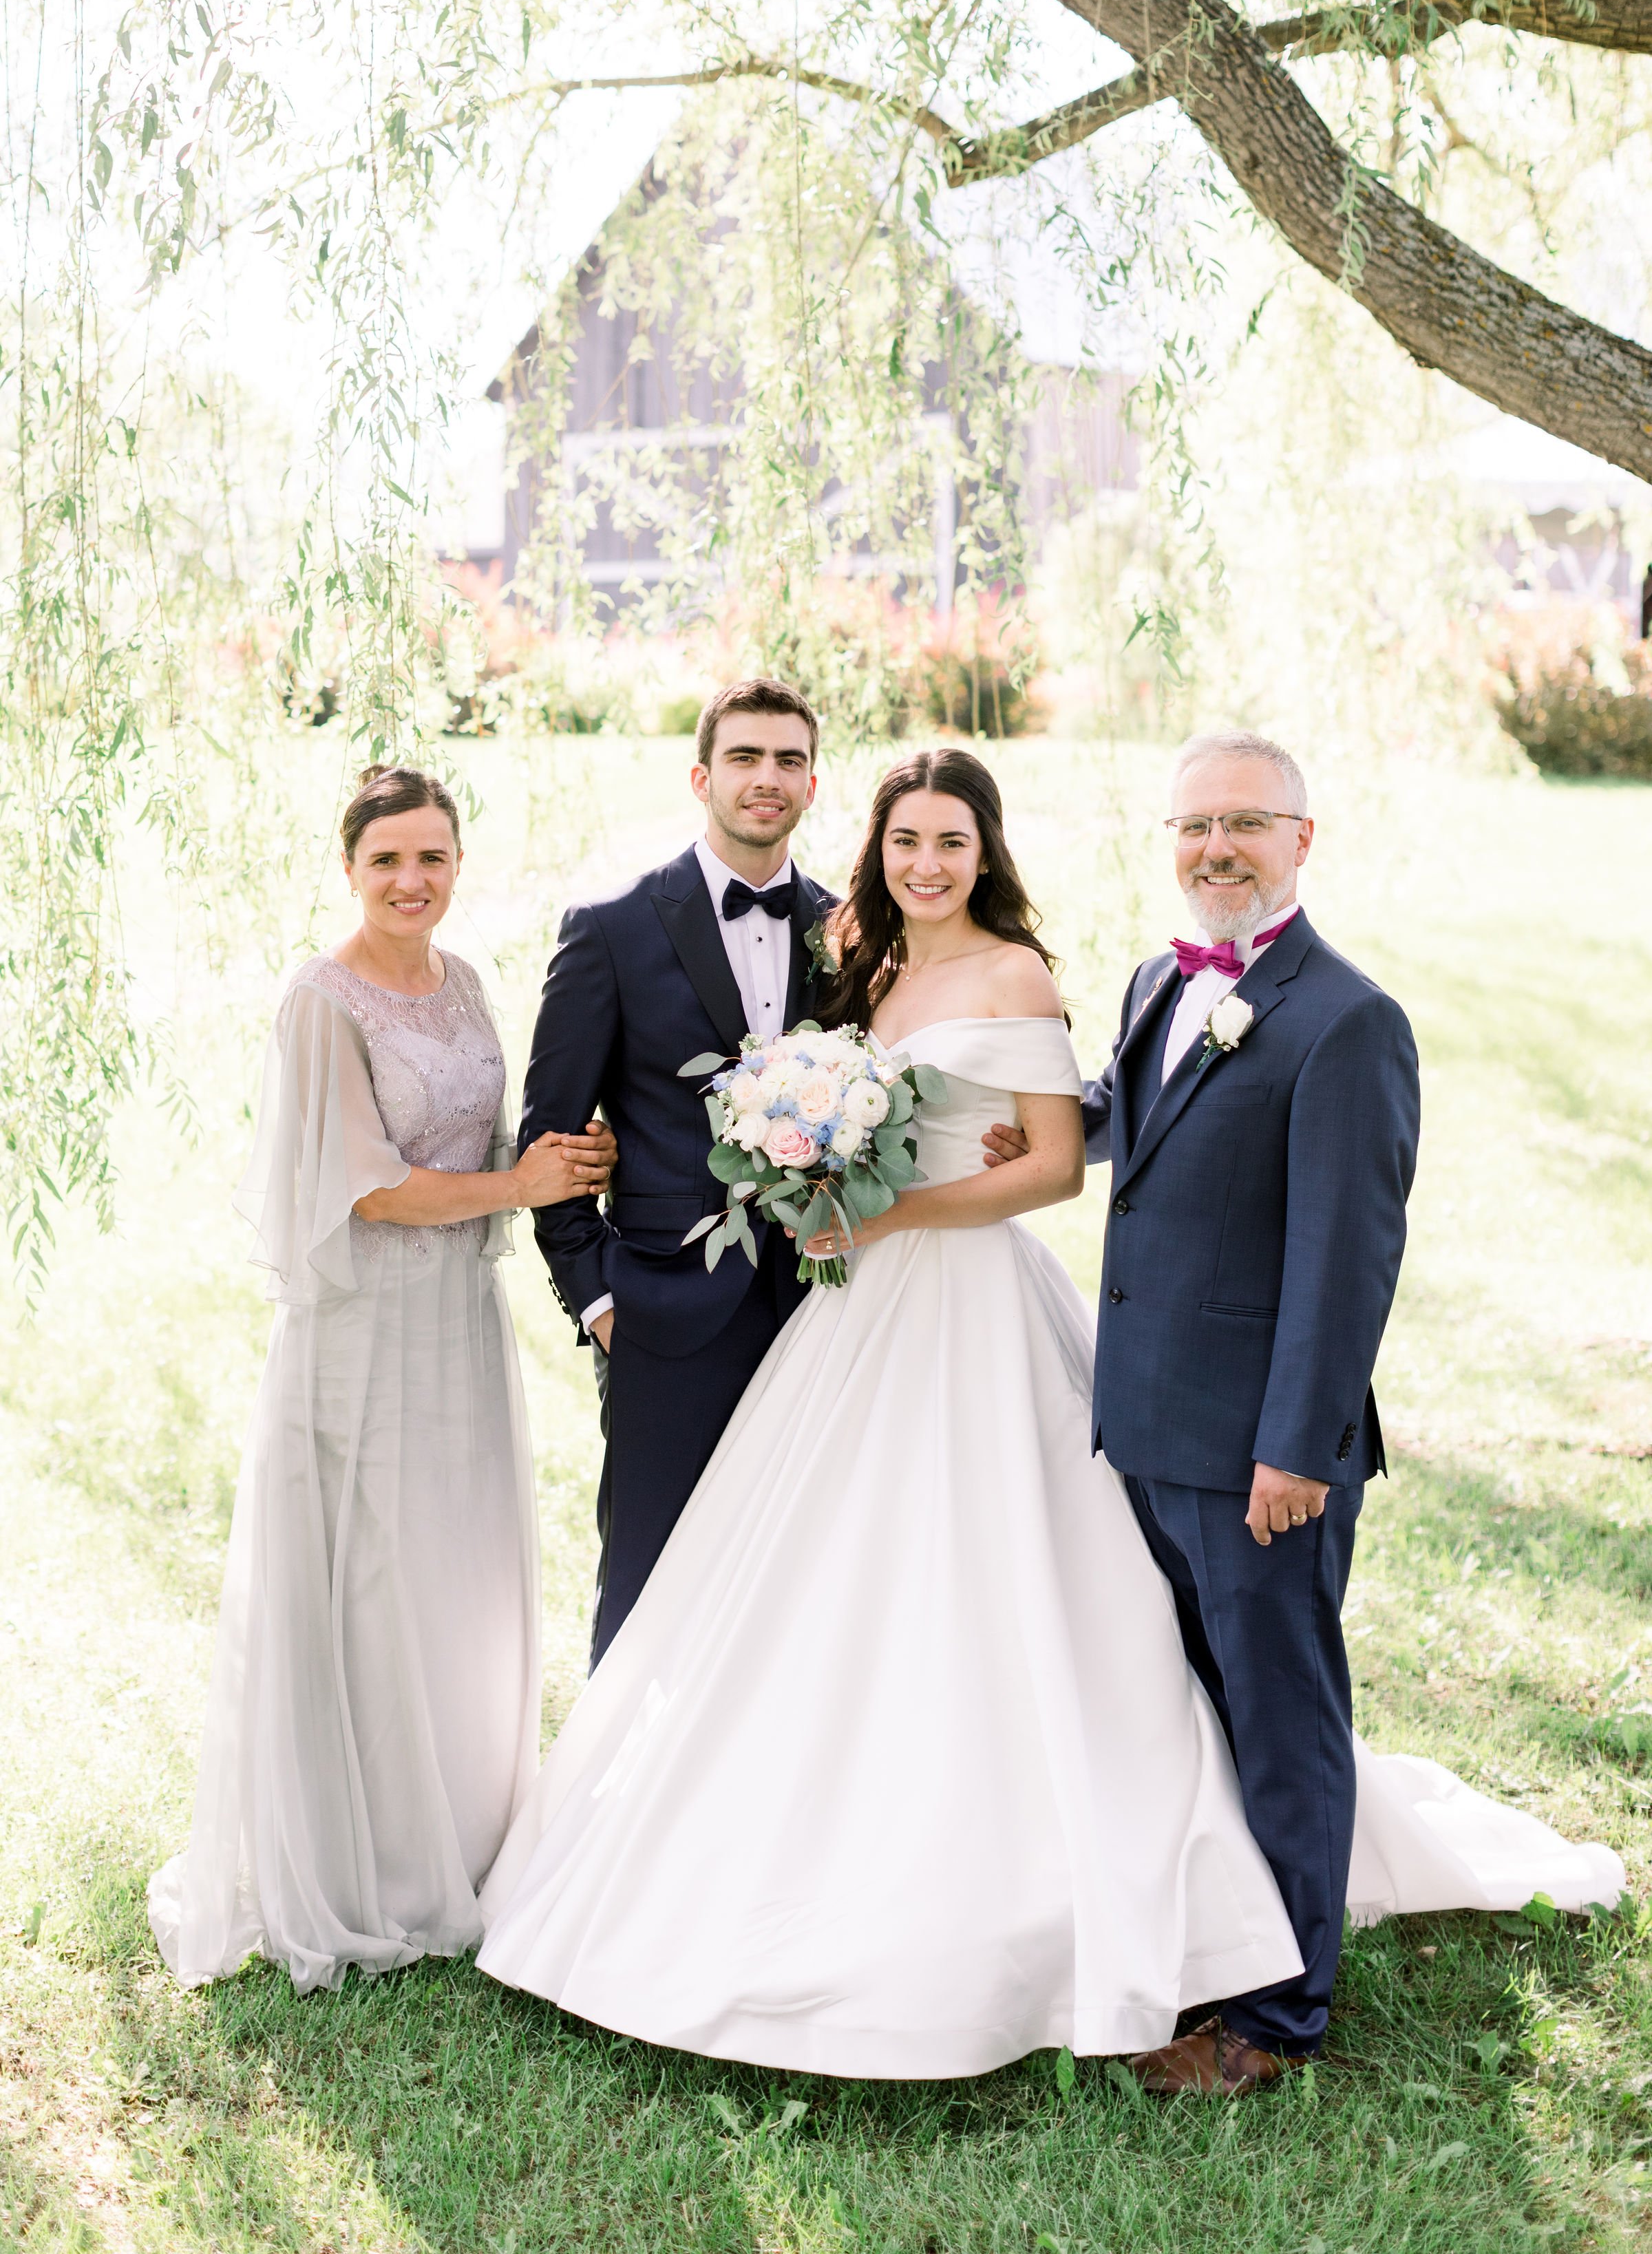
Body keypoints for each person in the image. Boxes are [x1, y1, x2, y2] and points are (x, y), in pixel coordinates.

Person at [478, 742, 1621, 2085]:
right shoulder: (1000, 974)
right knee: (859, 1589)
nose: (927, 863)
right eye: (906, 840)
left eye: (952, 841)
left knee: (1137, 1631)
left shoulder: (1221, 1002)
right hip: (889, 1325)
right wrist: (816, 1168)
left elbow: (1146, 1192)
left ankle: (1267, 1990)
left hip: (1064, 1345)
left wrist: (897, 1201)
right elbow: (1074, 1115)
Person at [985, 728, 1622, 2094]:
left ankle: (1280, 2019)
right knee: (1193, 1705)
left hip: (1252, 1449)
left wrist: (1299, 1445)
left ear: (1302, 841)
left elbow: (1348, 1260)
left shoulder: (1348, 1021)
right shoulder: (1163, 978)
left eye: (1245, 824)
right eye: (1193, 826)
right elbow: (1131, 1119)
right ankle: (1224, 1945)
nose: (1215, 848)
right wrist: (1029, 1127)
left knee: (1279, 1715)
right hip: (1141, 1420)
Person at [148, 764, 613, 1994]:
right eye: (388, 861)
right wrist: (523, 1189)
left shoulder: (462, 984)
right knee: (365, 1573)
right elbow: (369, 1186)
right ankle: (361, 1865)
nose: (413, 881)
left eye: (435, 858)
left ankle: (456, 1836)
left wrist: (569, 1158)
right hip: (361, 1328)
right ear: (349, 868)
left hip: (457, 1320)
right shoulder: (322, 1000)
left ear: (459, 864)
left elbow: (479, 1138)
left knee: (454, 1569)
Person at [516, 677, 837, 1663]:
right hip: (661, 1309)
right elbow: (551, 1140)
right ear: (703, 775)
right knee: (648, 1591)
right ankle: (615, 1815)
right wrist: (597, 1298)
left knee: (802, 1583)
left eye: (788, 760)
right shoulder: (611, 929)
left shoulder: (849, 929)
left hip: (824, 1313)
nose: (766, 779)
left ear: (813, 784)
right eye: (745, 757)